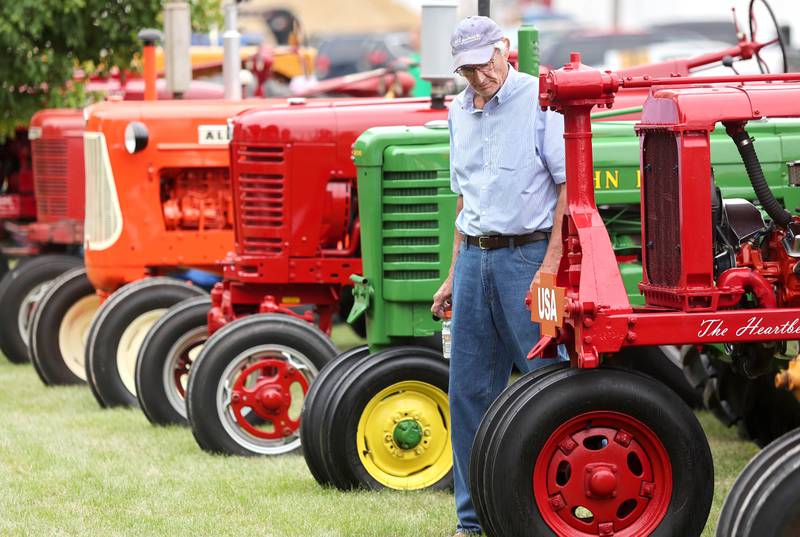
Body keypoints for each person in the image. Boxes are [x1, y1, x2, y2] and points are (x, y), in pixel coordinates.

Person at [430, 15, 567, 537]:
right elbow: (466, 200)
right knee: (466, 391)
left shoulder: (541, 100)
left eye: (486, 62)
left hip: (530, 261)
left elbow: (567, 191)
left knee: (547, 381)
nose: (480, 76)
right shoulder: (457, 113)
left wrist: (549, 269)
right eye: (467, 68)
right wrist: (451, 274)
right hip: (473, 263)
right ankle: (473, 519)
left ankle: (547, 507)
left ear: (503, 49)